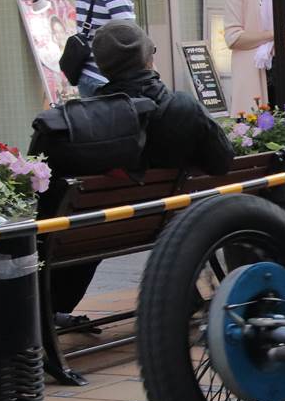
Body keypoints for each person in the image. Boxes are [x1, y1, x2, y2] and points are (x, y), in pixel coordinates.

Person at [45, 20, 236, 317]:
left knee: (79, 227)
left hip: (97, 233)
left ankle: (48, 310)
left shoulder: (82, 122)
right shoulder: (183, 107)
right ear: (148, 58)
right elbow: (223, 162)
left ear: (103, 67)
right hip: (168, 223)